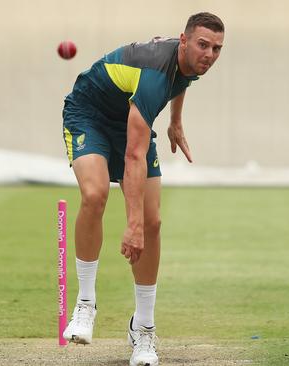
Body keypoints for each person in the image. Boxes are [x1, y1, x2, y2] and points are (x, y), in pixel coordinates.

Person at [60, 12, 224, 365]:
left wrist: (176, 122)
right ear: (183, 40)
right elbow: (134, 155)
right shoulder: (152, 76)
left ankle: (143, 328)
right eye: (202, 45)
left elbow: (183, 81)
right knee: (95, 194)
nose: (209, 54)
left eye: (216, 48)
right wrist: (130, 224)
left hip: (134, 119)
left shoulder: (191, 62)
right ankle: (85, 304)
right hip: (89, 115)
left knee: (154, 223)